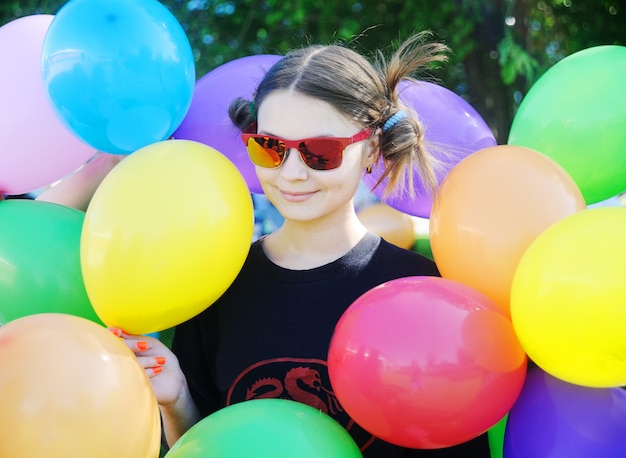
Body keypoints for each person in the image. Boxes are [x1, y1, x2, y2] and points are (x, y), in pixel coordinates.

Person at [116, 31, 491, 456]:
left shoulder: (423, 290)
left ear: (371, 150)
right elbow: (203, 446)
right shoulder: (218, 283)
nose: (291, 173)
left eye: (321, 151)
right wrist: (178, 399)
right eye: (270, 147)